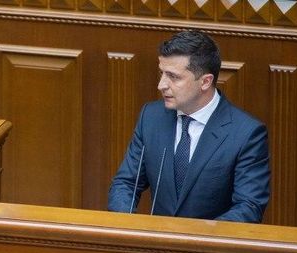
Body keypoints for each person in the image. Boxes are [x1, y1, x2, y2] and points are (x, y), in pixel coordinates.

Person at [107, 30, 270, 223]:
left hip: (208, 241)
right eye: (162, 73)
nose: (161, 85)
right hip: (156, 239)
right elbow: (126, 183)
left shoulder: (246, 134)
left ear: (205, 82)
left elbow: (249, 207)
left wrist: (196, 236)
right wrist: (128, 227)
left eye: (173, 77)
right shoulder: (151, 117)